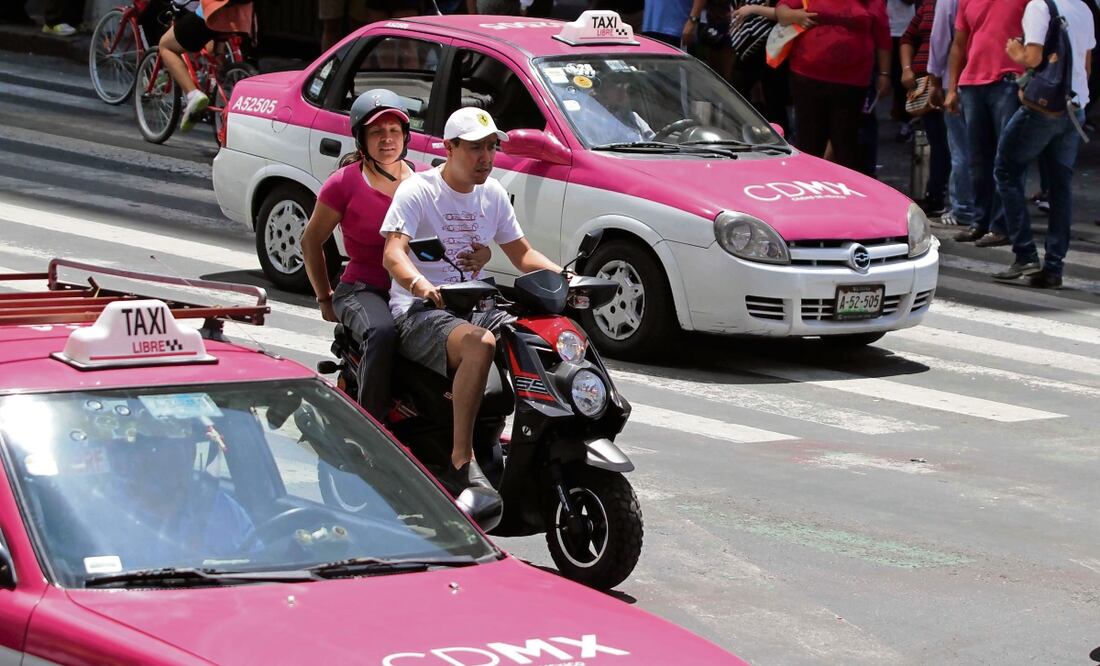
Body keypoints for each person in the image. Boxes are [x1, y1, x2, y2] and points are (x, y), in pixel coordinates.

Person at [380, 108, 563, 495]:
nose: (486, 158)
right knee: (480, 344)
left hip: (477, 306)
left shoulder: (492, 193)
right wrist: (420, 285)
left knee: (541, 335)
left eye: (491, 147)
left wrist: (567, 277)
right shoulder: (419, 190)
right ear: (449, 147)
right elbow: (393, 254)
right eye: (476, 148)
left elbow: (522, 255)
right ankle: (462, 459)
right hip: (422, 311)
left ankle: (540, 437)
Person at [303, 91, 491, 420]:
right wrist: (324, 298)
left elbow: (459, 229)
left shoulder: (425, 179)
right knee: (383, 332)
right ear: (361, 139)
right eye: (377, 132)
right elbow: (311, 241)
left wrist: (483, 253)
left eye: (394, 131)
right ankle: (371, 427)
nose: (387, 139)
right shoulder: (343, 184)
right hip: (364, 288)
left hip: (418, 286)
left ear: (405, 136)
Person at [991, 0, 1095, 289]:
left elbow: (1034, 58)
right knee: (1060, 188)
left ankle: (1025, 254)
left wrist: (1015, 52)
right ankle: (1053, 267)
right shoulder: (1083, 9)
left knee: (1006, 170)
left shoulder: (1039, 6)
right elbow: (1085, 66)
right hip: (1074, 108)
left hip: (1043, 110)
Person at [942, 0, 1028, 247]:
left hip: (1009, 82)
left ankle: (1002, 225)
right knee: (978, 160)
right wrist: (952, 89)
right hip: (972, 84)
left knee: (1006, 159)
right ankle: (980, 221)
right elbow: (958, 44)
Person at [103, 434, 255, 568]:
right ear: (141, 456)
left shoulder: (222, 509)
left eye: (187, 445)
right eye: (169, 447)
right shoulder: (111, 514)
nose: (182, 455)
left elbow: (259, 559)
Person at [776, 0, 892, 171]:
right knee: (809, 143)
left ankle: (847, 189)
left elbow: (882, 36)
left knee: (846, 145)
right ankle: (806, 186)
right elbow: (781, 9)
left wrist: (885, 74)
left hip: (852, 82)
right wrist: (795, 15)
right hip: (807, 76)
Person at [158, 0, 253, 132]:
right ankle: (217, 82)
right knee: (210, 48)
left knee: (166, 46)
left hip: (214, 14)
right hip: (240, 20)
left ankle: (193, 95)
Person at [927, 0, 977, 228]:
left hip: (957, 81)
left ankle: (964, 209)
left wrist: (934, 79)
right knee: (989, 149)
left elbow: (940, 38)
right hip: (993, 81)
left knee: (961, 148)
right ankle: (988, 208)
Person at [900, 0, 950, 217]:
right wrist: (907, 68)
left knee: (950, 145)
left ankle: (941, 195)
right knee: (938, 142)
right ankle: (935, 194)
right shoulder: (928, 4)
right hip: (924, 84)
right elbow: (907, 38)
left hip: (947, 81)